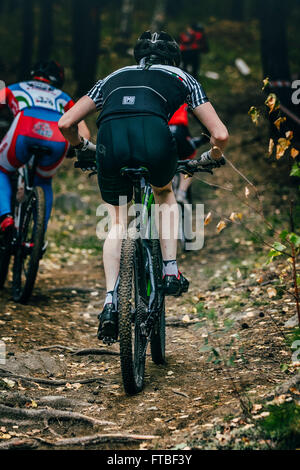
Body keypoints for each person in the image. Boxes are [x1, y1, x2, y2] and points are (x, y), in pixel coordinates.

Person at [58, 31, 228, 343]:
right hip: (155, 137)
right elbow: (220, 134)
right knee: (165, 193)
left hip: (110, 139)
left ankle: (110, 302)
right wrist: (211, 156)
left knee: (118, 221)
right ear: (172, 57)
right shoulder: (182, 77)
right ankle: (170, 270)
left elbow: (66, 124)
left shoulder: (112, 77)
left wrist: (83, 147)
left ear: (137, 57)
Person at [0, 60, 90, 245]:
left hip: (24, 128)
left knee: (2, 169)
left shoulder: (16, 87)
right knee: (44, 182)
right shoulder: (64, 97)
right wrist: (77, 149)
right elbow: (84, 132)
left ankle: (5, 217)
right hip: (56, 137)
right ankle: (38, 237)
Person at [168, 102, 208, 204]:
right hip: (180, 132)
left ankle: (168, 186)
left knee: (164, 160)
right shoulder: (183, 100)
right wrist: (205, 135)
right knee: (188, 161)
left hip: (163, 131)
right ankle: (181, 192)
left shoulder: (161, 97)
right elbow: (200, 117)